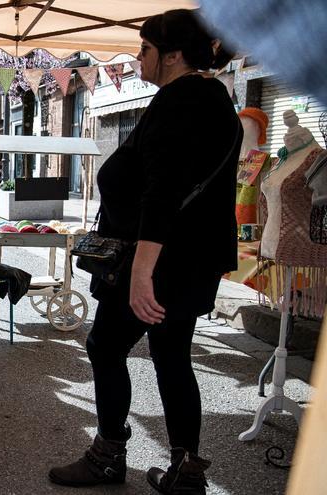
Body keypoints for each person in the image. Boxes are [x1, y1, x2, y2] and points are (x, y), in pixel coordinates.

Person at [48, 10, 239, 495]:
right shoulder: (211, 98)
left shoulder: (183, 101)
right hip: (189, 262)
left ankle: (108, 455)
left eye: (145, 49)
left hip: (160, 263)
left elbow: (163, 195)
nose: (138, 58)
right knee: (171, 354)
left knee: (105, 346)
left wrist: (140, 273)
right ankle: (185, 471)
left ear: (173, 55)